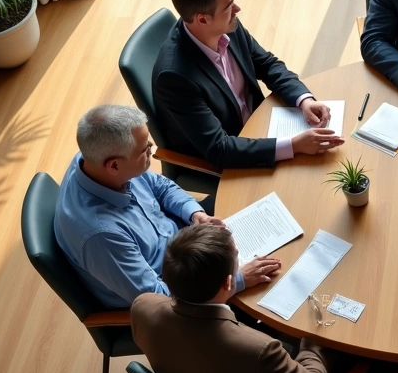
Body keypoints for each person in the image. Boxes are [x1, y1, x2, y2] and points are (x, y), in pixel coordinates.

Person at [54, 104, 279, 309]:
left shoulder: (96, 159)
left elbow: (160, 186)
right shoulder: (102, 237)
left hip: (187, 241)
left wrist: (195, 214)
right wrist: (236, 281)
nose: (152, 149)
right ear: (114, 166)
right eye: (144, 150)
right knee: (270, 296)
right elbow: (159, 298)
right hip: (181, 289)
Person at [131, 224, 329, 373]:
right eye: (238, 261)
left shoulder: (142, 307)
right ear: (228, 282)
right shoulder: (260, 352)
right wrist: (310, 337)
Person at [153, 0, 343, 170]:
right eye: (229, 6)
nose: (237, 9)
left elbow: (267, 64)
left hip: (260, 126)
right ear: (202, 19)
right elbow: (218, 148)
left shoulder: (227, 25)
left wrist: (303, 100)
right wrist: (294, 146)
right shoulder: (174, 77)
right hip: (233, 157)